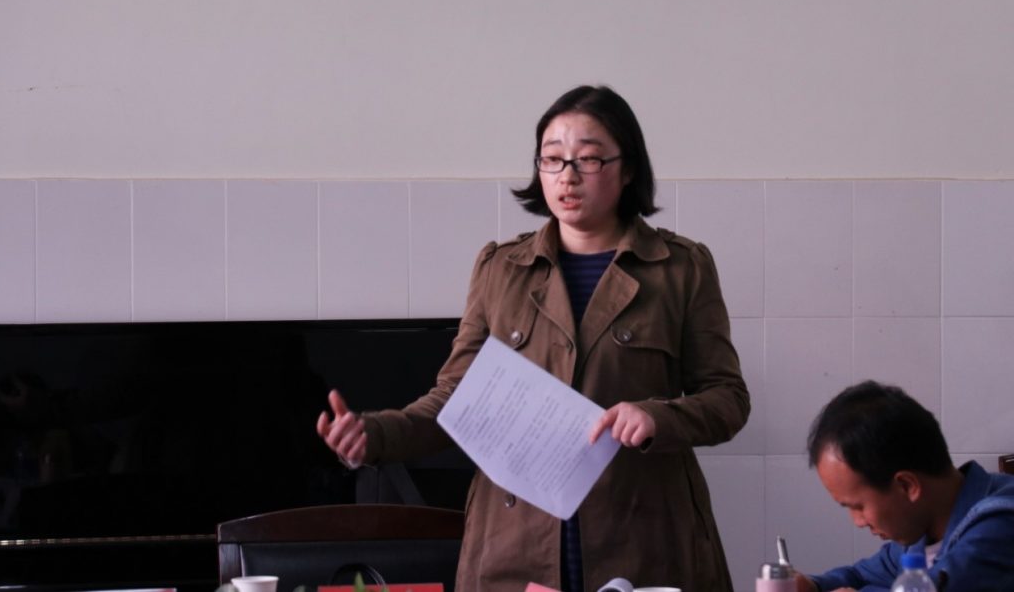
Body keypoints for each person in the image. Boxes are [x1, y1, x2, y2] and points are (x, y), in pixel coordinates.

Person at [316, 85, 750, 592]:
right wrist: (374, 435)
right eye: (552, 159)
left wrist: (658, 416)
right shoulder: (501, 268)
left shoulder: (680, 268)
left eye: (588, 159)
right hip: (515, 541)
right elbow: (455, 400)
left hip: (644, 537)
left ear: (628, 168)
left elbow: (728, 398)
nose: (567, 175)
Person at [798, 381, 1014, 592]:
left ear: (907, 486)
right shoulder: (920, 530)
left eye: (858, 506)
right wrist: (812, 585)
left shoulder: (999, 528)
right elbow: (860, 576)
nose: (858, 522)